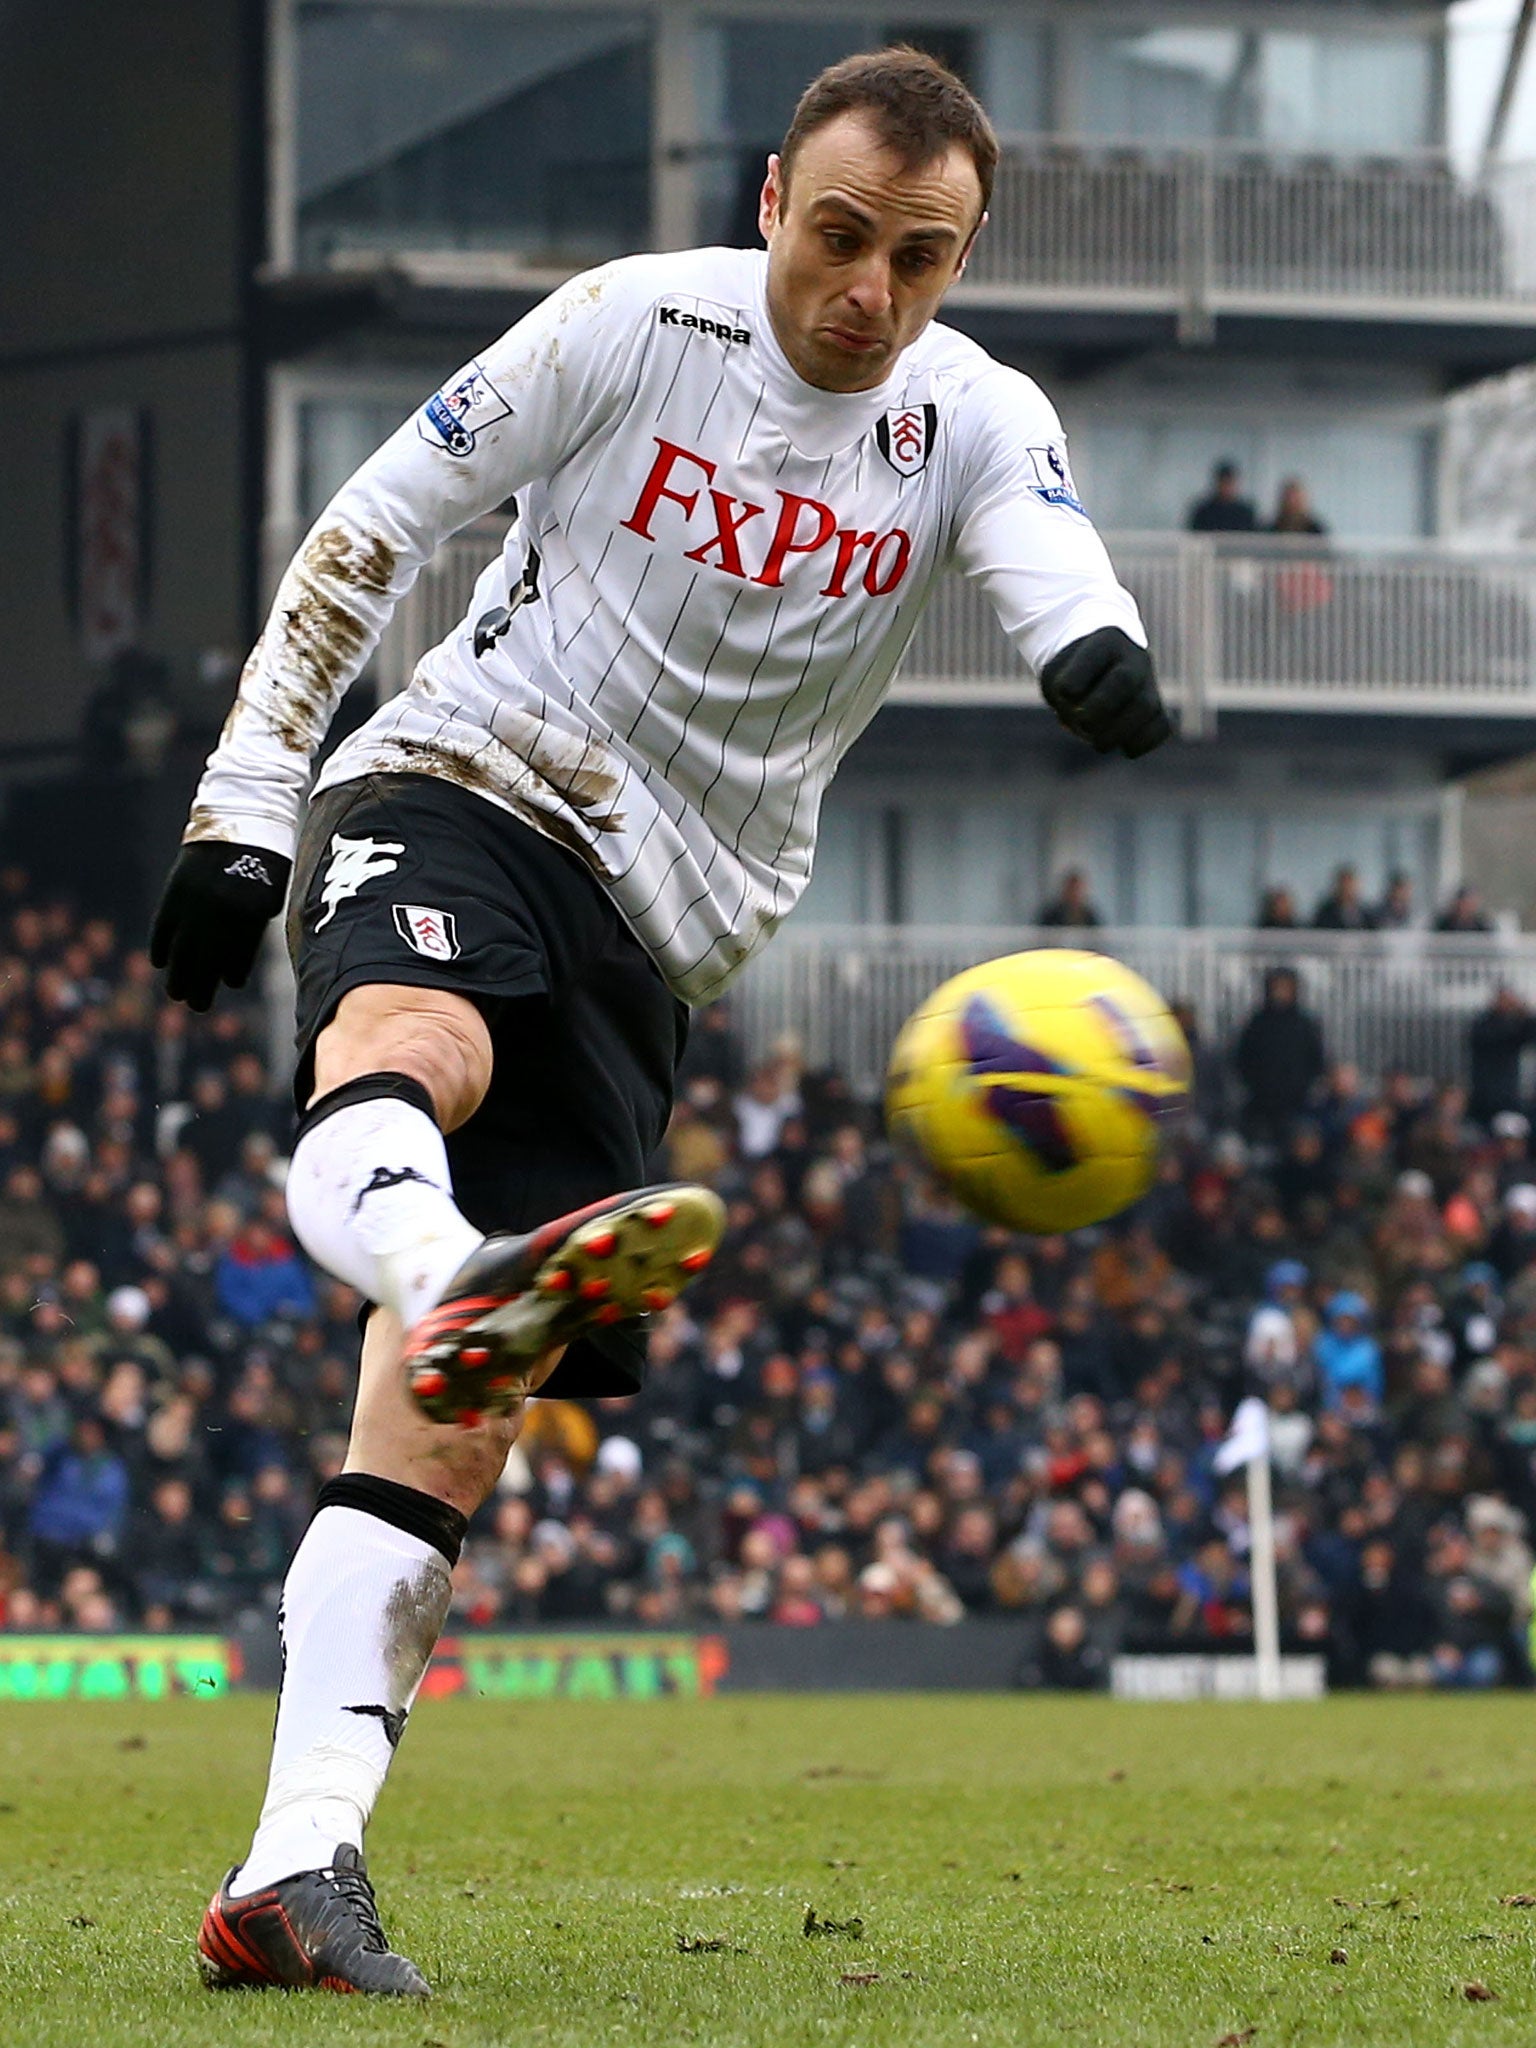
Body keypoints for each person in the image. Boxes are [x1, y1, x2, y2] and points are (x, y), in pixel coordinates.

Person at [147, 49, 1170, 1996]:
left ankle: (292, 1872)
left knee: (447, 1447)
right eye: (846, 234)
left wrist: (1092, 653)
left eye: (921, 258)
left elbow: (1045, 553)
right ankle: (452, 1259)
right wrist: (245, 804)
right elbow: (378, 521)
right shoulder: (633, 324)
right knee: (419, 1056)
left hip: (661, 932)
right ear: (777, 198)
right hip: (463, 775)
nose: (869, 290)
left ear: (963, 261)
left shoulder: (974, 413)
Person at [1233, 967, 1327, 1147]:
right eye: (1277, 987)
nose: (1281, 992)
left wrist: (1306, 1087)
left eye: (1286, 987)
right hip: (1261, 1106)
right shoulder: (1256, 1024)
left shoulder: (1305, 1025)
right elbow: (1241, 1060)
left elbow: (1317, 1060)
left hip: (1298, 1104)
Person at [1468, 984, 1536, 1129]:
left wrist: (1526, 1013)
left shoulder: (1514, 1023)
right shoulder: (1483, 1024)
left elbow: (1530, 1033)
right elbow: (1502, 1036)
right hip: (1486, 1095)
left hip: (1509, 1093)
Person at [1187, 460, 1257, 535]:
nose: (1226, 487)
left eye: (1229, 483)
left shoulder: (1245, 513)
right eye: (1223, 482)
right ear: (1217, 483)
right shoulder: (1203, 512)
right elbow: (1194, 537)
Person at [1311, 865, 1375, 932]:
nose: (1348, 889)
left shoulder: (1366, 914)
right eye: (1344, 885)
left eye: (1351, 885)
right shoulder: (1325, 914)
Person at [1037, 869, 1102, 929]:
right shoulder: (1051, 915)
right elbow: (1040, 934)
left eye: (1078, 889)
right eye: (1071, 889)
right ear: (1064, 890)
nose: (1074, 893)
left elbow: (1099, 935)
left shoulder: (1090, 915)